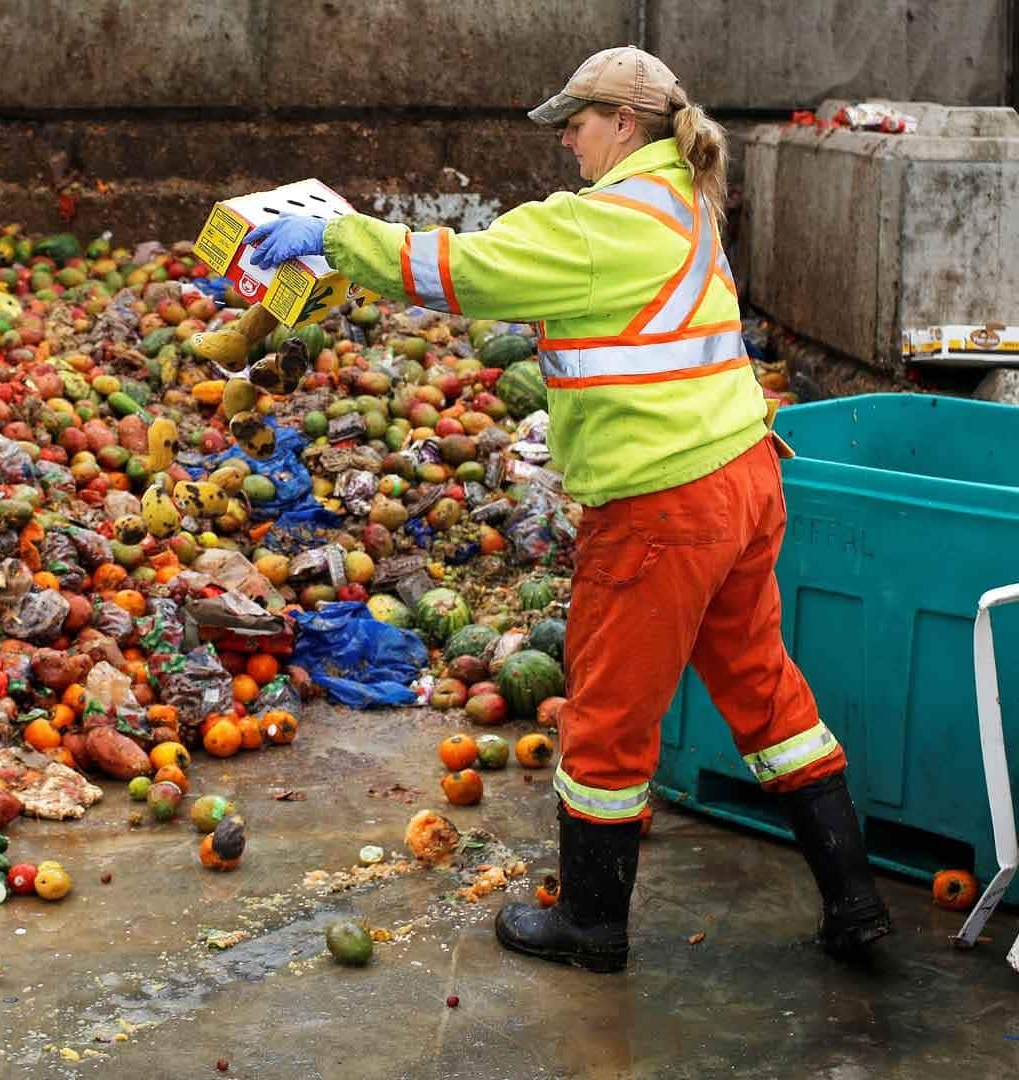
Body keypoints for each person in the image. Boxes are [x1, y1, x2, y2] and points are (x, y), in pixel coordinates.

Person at [239, 46, 890, 973]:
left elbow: (467, 269)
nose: (568, 148)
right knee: (763, 687)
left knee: (607, 717)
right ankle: (854, 898)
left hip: (664, 503)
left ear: (625, 124)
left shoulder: (605, 221)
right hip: (744, 474)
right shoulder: (685, 199)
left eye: (576, 127)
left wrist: (337, 238)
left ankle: (591, 924)